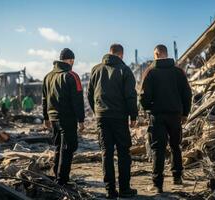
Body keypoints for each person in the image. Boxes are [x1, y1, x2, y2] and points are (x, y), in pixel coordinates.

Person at [139, 44, 192, 194]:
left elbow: (143, 96)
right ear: (166, 54)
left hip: (157, 116)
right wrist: (185, 113)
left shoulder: (150, 72)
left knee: (158, 149)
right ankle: (177, 178)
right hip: (175, 115)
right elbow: (187, 94)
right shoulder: (178, 72)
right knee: (176, 146)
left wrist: (147, 108)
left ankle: (158, 185)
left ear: (156, 54)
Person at [87, 44, 138, 199]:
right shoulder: (124, 70)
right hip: (119, 117)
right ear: (121, 54)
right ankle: (124, 189)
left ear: (110, 53)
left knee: (106, 153)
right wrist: (133, 116)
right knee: (123, 153)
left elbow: (90, 94)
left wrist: (98, 111)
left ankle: (110, 190)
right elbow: (130, 96)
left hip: (102, 117)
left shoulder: (96, 69)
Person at [42, 48, 85, 186]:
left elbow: (44, 99)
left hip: (53, 118)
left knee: (59, 146)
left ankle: (57, 176)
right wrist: (81, 120)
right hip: (67, 118)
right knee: (69, 147)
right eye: (73, 60)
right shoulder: (72, 75)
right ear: (71, 60)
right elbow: (77, 100)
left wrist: (46, 118)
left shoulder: (47, 76)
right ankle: (62, 180)